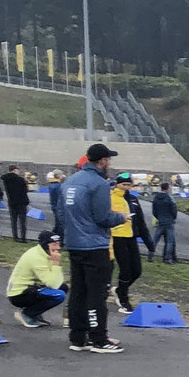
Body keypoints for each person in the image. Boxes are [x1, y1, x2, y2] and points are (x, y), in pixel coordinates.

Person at [60, 144, 125, 352]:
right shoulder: (98, 183)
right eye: (108, 159)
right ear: (103, 161)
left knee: (78, 291)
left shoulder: (69, 182)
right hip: (94, 245)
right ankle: (99, 338)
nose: (109, 163)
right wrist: (121, 218)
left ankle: (78, 337)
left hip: (74, 242)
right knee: (96, 294)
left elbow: (61, 214)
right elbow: (102, 217)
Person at [5, 231, 67, 328]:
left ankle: (34, 313)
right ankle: (27, 314)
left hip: (30, 288)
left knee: (63, 287)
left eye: (59, 244)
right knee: (59, 294)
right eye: (54, 244)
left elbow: (57, 281)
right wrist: (56, 263)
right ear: (46, 245)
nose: (58, 248)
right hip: (19, 294)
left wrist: (55, 264)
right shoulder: (37, 258)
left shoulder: (43, 253)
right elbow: (53, 284)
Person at [109, 172, 144, 314]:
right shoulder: (109, 197)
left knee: (137, 270)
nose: (126, 187)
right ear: (117, 184)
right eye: (124, 184)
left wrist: (147, 241)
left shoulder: (132, 199)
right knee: (125, 269)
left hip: (130, 236)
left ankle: (119, 290)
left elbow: (140, 220)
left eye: (129, 185)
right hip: (116, 236)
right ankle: (123, 298)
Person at [2, 165, 30, 244]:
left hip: (11, 202)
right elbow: (25, 190)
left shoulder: (6, 179)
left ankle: (15, 236)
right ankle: (23, 238)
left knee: (13, 221)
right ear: (14, 170)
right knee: (22, 221)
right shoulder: (20, 180)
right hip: (21, 202)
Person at [151, 184, 178, 261]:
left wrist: (158, 217)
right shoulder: (170, 197)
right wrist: (173, 217)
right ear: (167, 189)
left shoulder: (155, 197)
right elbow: (174, 210)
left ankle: (150, 255)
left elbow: (154, 211)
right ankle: (167, 258)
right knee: (169, 241)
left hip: (160, 220)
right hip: (169, 221)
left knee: (155, 240)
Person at [46, 170, 65, 238]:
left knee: (57, 224)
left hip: (54, 206)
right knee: (60, 224)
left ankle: (52, 237)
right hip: (58, 207)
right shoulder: (58, 186)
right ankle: (59, 239)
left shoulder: (52, 185)